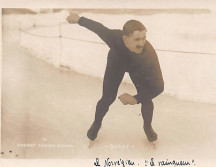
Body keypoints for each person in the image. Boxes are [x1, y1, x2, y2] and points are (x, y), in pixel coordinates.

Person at [66, 12, 164, 142]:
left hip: (137, 67)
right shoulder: (114, 37)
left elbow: (159, 86)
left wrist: (136, 99)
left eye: (144, 38)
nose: (142, 43)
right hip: (116, 62)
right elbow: (98, 28)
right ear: (125, 39)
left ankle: (147, 127)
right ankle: (96, 123)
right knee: (107, 98)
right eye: (137, 39)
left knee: (145, 97)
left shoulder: (148, 54)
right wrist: (79, 19)